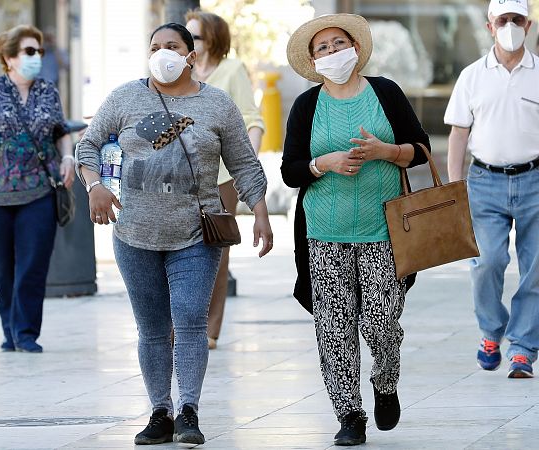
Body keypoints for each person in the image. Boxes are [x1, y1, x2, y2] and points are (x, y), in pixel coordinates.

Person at [76, 22, 273, 446]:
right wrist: (95, 187)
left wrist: (260, 212)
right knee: (151, 327)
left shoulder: (217, 104)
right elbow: (87, 146)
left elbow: (243, 162)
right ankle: (159, 411)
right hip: (133, 234)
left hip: (195, 234)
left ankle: (189, 410)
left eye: (172, 46)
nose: (162, 53)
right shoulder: (125, 97)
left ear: (190, 55)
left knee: (188, 319)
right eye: (155, 47)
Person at [281, 14, 430, 446]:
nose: (331, 52)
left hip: (383, 229)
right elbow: (291, 171)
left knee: (383, 322)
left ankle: (385, 383)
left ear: (356, 48)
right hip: (323, 233)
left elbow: (420, 149)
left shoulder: (384, 92)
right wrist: (322, 164)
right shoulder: (307, 105)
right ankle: (349, 414)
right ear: (313, 59)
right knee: (334, 324)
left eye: (338, 43)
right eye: (322, 47)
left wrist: (387, 151)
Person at [0, 24, 75, 354]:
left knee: (33, 264)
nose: (36, 57)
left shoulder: (48, 91)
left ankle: (26, 333)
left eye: (39, 51)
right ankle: (9, 330)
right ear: (9, 58)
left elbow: (60, 131)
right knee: (3, 264)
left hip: (39, 190)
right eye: (28, 51)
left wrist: (67, 158)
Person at [444, 0, 538, 379]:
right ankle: (491, 331)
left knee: (536, 269)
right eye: (504, 20)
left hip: (535, 180)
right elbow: (458, 133)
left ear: (528, 25)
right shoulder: (471, 76)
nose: (511, 26)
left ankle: (523, 348)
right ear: (490, 26)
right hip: (484, 181)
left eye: (518, 19)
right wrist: (454, 187)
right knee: (486, 263)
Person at [185, 9, 265, 350]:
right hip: (179, 178)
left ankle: (209, 329)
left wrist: (245, 167)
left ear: (213, 39)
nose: (189, 44)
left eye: (196, 37)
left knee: (215, 253)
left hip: (221, 178)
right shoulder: (181, 72)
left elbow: (252, 119)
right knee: (181, 249)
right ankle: (183, 324)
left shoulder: (232, 71)